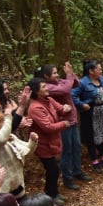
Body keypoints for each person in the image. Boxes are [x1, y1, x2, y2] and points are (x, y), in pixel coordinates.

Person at [35, 63, 90, 191]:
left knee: (77, 147)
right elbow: (65, 89)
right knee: (67, 150)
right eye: (54, 73)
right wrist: (69, 76)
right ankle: (67, 178)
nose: (57, 75)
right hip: (63, 122)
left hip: (72, 120)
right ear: (46, 76)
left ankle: (77, 171)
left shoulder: (59, 81)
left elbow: (75, 84)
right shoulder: (48, 87)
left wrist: (71, 74)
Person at [27, 77, 71, 206]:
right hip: (43, 144)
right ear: (36, 91)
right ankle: (50, 196)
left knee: (54, 169)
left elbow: (60, 108)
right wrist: (64, 124)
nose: (47, 88)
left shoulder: (49, 100)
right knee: (52, 169)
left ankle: (54, 193)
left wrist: (66, 108)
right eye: (43, 87)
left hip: (52, 141)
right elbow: (47, 127)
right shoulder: (35, 108)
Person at [0, 108, 38, 197]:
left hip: (17, 184)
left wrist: (32, 141)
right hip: (0, 188)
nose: (8, 125)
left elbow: (27, 150)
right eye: (5, 122)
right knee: (6, 205)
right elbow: (0, 140)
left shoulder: (10, 136)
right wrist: (8, 117)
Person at [72, 59, 103, 173]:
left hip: (102, 111)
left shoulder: (102, 79)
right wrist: (82, 104)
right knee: (91, 136)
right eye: (98, 69)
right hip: (90, 112)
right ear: (91, 71)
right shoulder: (82, 82)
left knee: (101, 133)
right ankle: (94, 160)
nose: (101, 71)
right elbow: (72, 95)